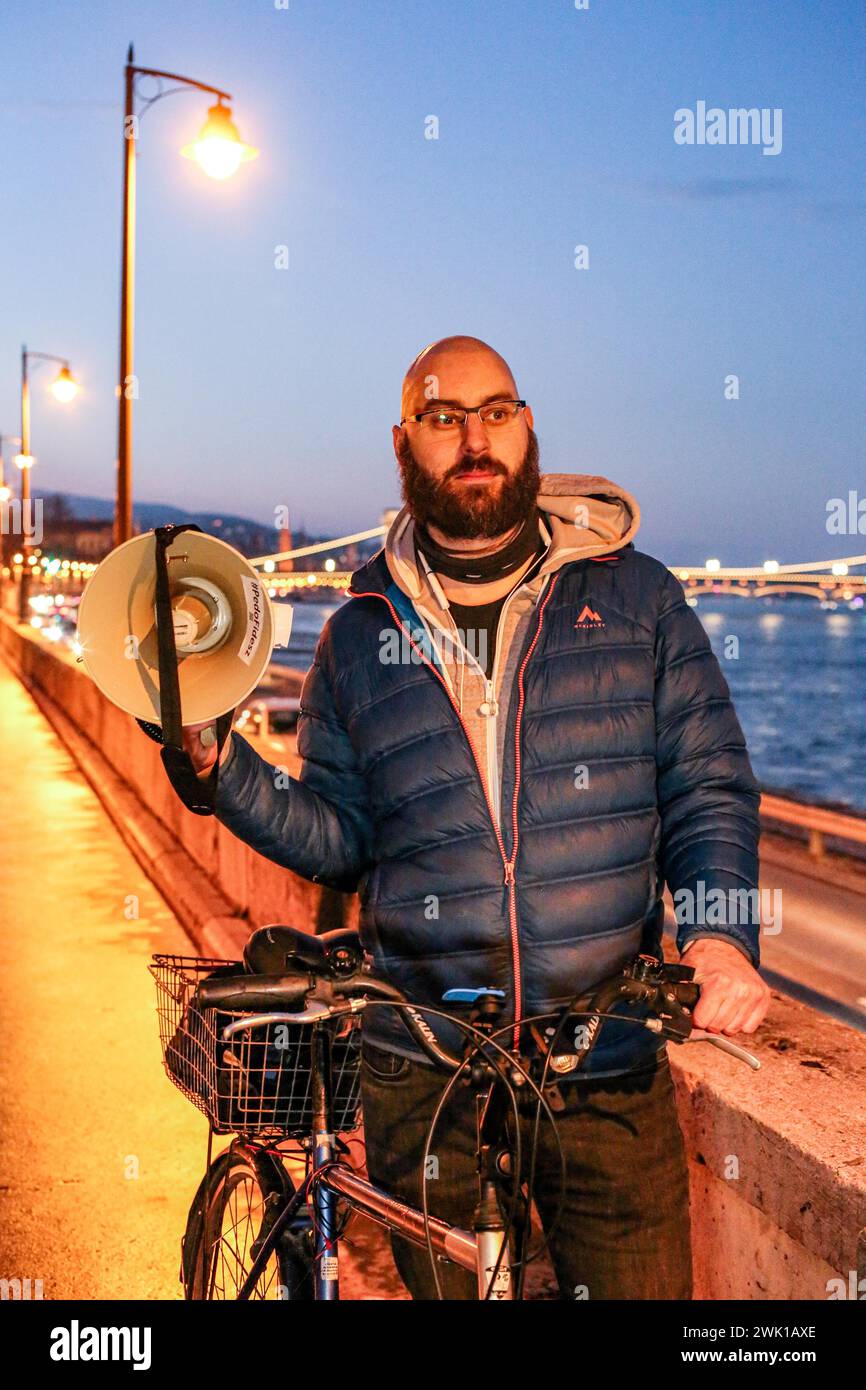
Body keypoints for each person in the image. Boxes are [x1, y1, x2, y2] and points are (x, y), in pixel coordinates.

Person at [184, 335, 770, 1300]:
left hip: (605, 1056)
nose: (474, 437)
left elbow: (707, 784)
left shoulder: (638, 598)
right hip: (424, 1064)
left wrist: (719, 938)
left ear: (527, 424)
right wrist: (218, 766)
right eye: (443, 417)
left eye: (495, 410)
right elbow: (340, 835)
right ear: (404, 442)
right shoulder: (357, 630)